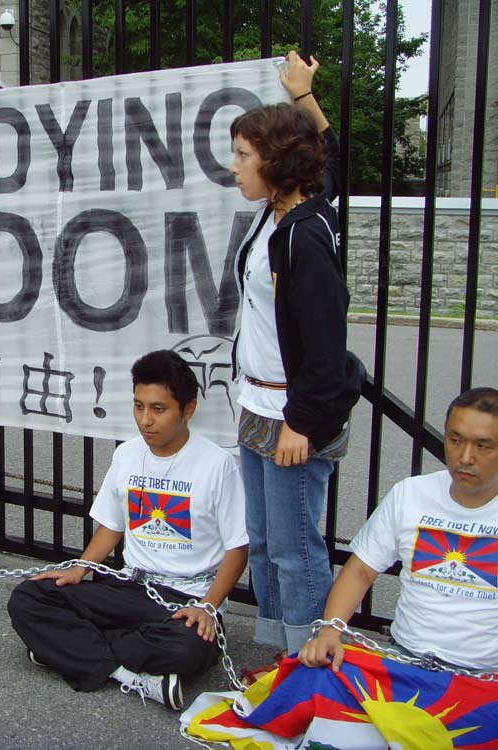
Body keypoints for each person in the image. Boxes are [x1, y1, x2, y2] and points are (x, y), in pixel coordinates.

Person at [6, 350, 248, 711]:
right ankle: (128, 675)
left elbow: (238, 549)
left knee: (186, 647)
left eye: (158, 409)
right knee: (29, 597)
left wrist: (208, 607)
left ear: (189, 409)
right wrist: (80, 569)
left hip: (186, 598)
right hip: (130, 586)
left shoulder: (218, 466)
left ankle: (69, 651)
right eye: (138, 407)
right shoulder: (127, 455)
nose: (146, 420)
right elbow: (111, 527)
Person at [229, 51, 363, 667]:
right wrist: (305, 95)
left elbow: (326, 346)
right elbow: (328, 158)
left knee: (294, 548)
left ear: (276, 164)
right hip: (259, 402)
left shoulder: (306, 234)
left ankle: (310, 664)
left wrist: (302, 422)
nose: (235, 168)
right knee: (263, 543)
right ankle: (281, 657)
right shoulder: (285, 211)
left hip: (292, 413)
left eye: (243, 156)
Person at [299, 387, 498, 674]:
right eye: (455, 440)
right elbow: (360, 570)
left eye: (483, 446)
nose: (465, 457)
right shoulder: (411, 494)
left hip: (485, 676)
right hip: (405, 658)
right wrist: (330, 631)